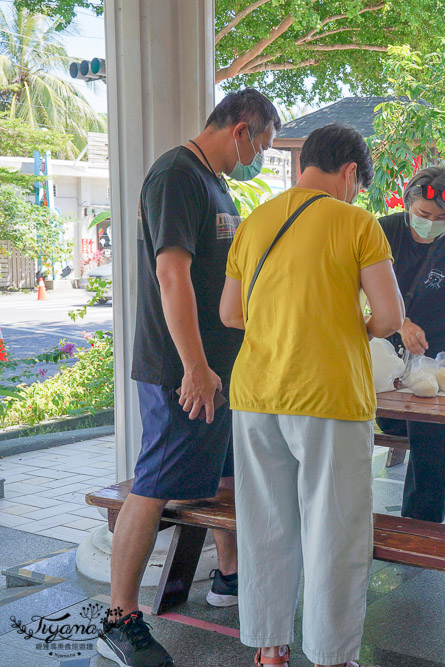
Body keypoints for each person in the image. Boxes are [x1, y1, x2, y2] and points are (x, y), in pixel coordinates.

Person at [97, 89, 281, 667]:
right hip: (180, 370)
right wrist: (196, 367)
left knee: (227, 470)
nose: (258, 158)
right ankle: (119, 617)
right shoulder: (177, 175)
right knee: (152, 484)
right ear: (241, 129)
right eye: (262, 145)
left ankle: (228, 577)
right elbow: (171, 276)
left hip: (219, 370)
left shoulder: (215, 183)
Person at [219, 123, 404, 667]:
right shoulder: (356, 222)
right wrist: (351, 327)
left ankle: (270, 649)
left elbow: (231, 314)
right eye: (357, 184)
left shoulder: (253, 222)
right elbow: (389, 317)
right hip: (329, 396)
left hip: (254, 393)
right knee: (335, 530)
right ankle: (330, 655)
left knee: (265, 524)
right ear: (349, 172)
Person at [374, 166, 445, 523]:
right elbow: (359, 288)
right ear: (408, 202)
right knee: (374, 424)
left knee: (433, 443)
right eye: (423, 214)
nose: (431, 223)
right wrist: (399, 322)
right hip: (382, 350)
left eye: (441, 217)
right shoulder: (383, 231)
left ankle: (421, 529)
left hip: (437, 359)